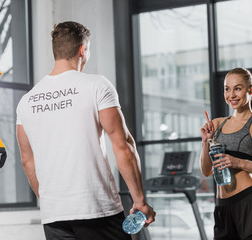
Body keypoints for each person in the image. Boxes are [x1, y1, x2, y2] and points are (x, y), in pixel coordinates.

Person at [16, 21, 155, 240]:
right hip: (97, 209)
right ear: (83, 49)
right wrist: (140, 201)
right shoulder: (96, 85)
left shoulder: (26, 101)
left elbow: (27, 160)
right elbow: (123, 146)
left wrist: (52, 201)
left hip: (54, 215)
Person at [200, 67, 252, 240]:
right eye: (227, 89)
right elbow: (207, 171)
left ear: (251, 89)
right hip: (222, 207)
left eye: (238, 88)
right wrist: (205, 142)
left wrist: (238, 163)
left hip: (250, 205)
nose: (231, 95)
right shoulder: (216, 124)